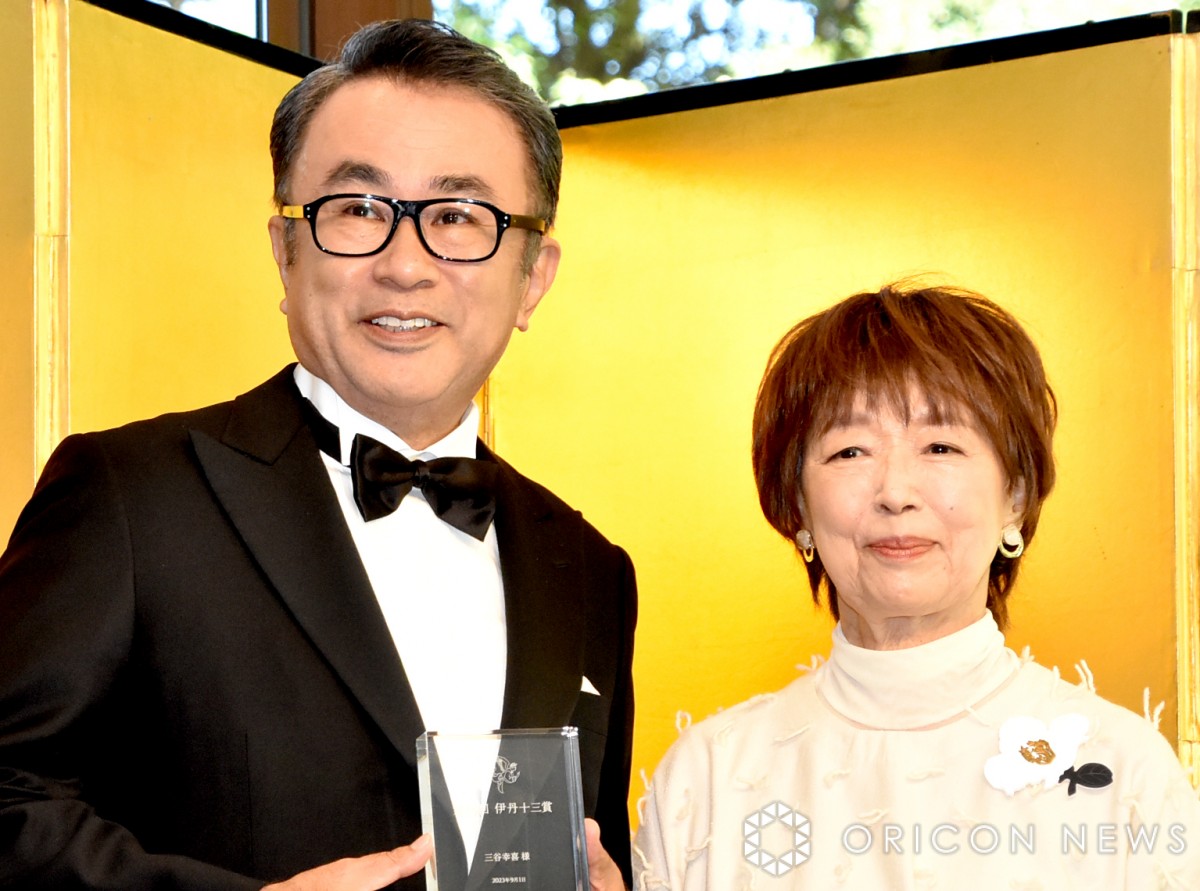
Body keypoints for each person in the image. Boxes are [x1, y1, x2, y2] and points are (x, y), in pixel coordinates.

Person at [0, 19, 635, 891]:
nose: (405, 265)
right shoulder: (129, 496)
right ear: (285, 252)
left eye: (458, 216)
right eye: (359, 209)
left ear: (533, 277)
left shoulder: (592, 569)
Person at [633, 282, 1200, 889]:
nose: (896, 493)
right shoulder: (707, 781)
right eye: (850, 451)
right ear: (796, 504)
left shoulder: (1122, 773)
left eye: (940, 445)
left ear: (1015, 494)